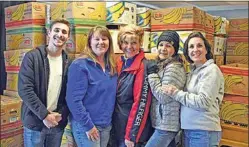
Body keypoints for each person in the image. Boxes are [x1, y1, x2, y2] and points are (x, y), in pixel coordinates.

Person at [162, 32, 224, 147]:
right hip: (189, 130)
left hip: (203, 132)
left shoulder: (211, 70)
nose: (195, 49)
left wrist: (176, 93)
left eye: (199, 45)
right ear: (187, 52)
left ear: (206, 49)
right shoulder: (193, 71)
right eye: (191, 46)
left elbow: (203, 102)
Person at [18, 19, 71, 147]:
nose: (60, 34)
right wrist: (45, 115)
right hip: (35, 122)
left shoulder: (69, 62)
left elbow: (69, 94)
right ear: (49, 33)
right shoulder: (32, 57)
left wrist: (60, 115)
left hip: (56, 123)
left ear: (68, 37)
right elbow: (25, 90)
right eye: (56, 30)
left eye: (64, 32)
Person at [66, 26, 117, 147]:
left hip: (106, 125)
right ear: (90, 42)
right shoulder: (80, 65)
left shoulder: (112, 66)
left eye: (104, 39)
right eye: (96, 39)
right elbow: (73, 100)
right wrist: (88, 125)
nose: (101, 42)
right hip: (87, 126)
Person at [111, 24, 154, 147]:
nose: (129, 47)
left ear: (140, 43)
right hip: (116, 127)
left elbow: (141, 103)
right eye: (125, 42)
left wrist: (132, 135)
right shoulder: (118, 62)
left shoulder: (142, 66)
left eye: (134, 42)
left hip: (130, 132)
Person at [145, 30, 186, 147]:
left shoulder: (174, 67)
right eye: (161, 44)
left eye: (168, 46)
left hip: (167, 124)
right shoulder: (163, 64)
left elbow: (163, 97)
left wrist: (152, 74)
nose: (163, 48)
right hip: (162, 122)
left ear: (175, 49)